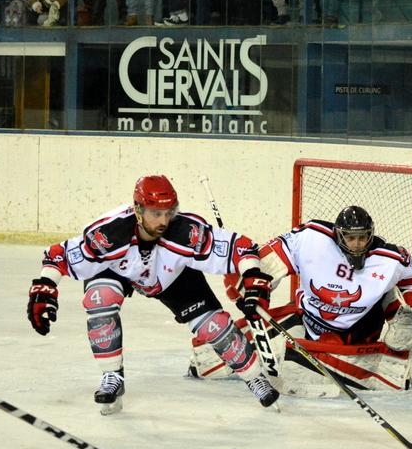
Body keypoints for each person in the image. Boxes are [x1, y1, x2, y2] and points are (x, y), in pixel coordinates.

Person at [26, 175, 278, 414]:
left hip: (172, 277)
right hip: (117, 272)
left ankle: (255, 378)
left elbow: (242, 247)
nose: (164, 221)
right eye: (156, 213)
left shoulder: (187, 232)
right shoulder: (110, 233)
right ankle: (112, 375)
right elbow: (58, 256)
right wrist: (44, 288)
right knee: (100, 298)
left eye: (168, 213)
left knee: (214, 326)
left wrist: (252, 277)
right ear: (138, 209)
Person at [231, 205, 412, 391]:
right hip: (305, 318)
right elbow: (272, 255)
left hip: (355, 334)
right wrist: (251, 280)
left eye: (362, 237)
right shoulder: (311, 238)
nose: (357, 244)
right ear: (338, 235)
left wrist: (408, 309)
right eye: (350, 238)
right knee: (225, 346)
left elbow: (411, 279)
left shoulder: (391, 260)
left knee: (295, 369)